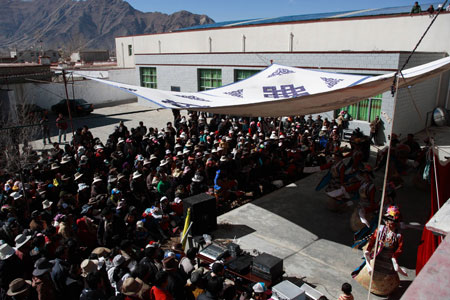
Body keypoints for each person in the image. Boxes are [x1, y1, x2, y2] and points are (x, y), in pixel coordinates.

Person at [352, 206, 407, 296]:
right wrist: (368, 250)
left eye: (393, 220)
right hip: (378, 254)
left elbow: (399, 248)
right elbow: (372, 240)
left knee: (388, 273)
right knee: (372, 269)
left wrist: (394, 258)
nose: (390, 223)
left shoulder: (398, 235)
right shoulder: (380, 230)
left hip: (389, 257)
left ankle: (383, 289)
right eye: (389, 220)